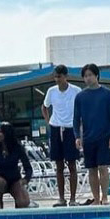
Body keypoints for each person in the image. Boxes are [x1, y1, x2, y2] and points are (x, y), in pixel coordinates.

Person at [73, 64, 110, 206]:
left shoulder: (107, 94)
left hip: (104, 137)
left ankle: (105, 197)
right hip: (88, 137)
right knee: (91, 169)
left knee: (103, 167)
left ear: (97, 76)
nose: (88, 78)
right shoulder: (80, 97)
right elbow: (76, 118)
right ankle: (96, 198)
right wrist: (77, 136)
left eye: (90, 75)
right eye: (85, 76)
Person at [42, 65, 81, 206]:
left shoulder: (76, 91)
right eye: (55, 77)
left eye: (59, 76)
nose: (57, 79)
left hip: (71, 129)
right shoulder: (51, 91)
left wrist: (79, 128)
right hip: (56, 128)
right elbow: (44, 107)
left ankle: (73, 198)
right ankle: (61, 198)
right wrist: (49, 122)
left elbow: (80, 110)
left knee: (72, 165)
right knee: (58, 165)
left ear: (66, 76)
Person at [0, 123, 33, 209]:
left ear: (7, 133)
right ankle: (0, 204)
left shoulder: (17, 148)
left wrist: (25, 179)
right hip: (0, 180)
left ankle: (19, 203)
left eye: (0, 132)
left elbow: (28, 168)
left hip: (14, 180)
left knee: (23, 203)